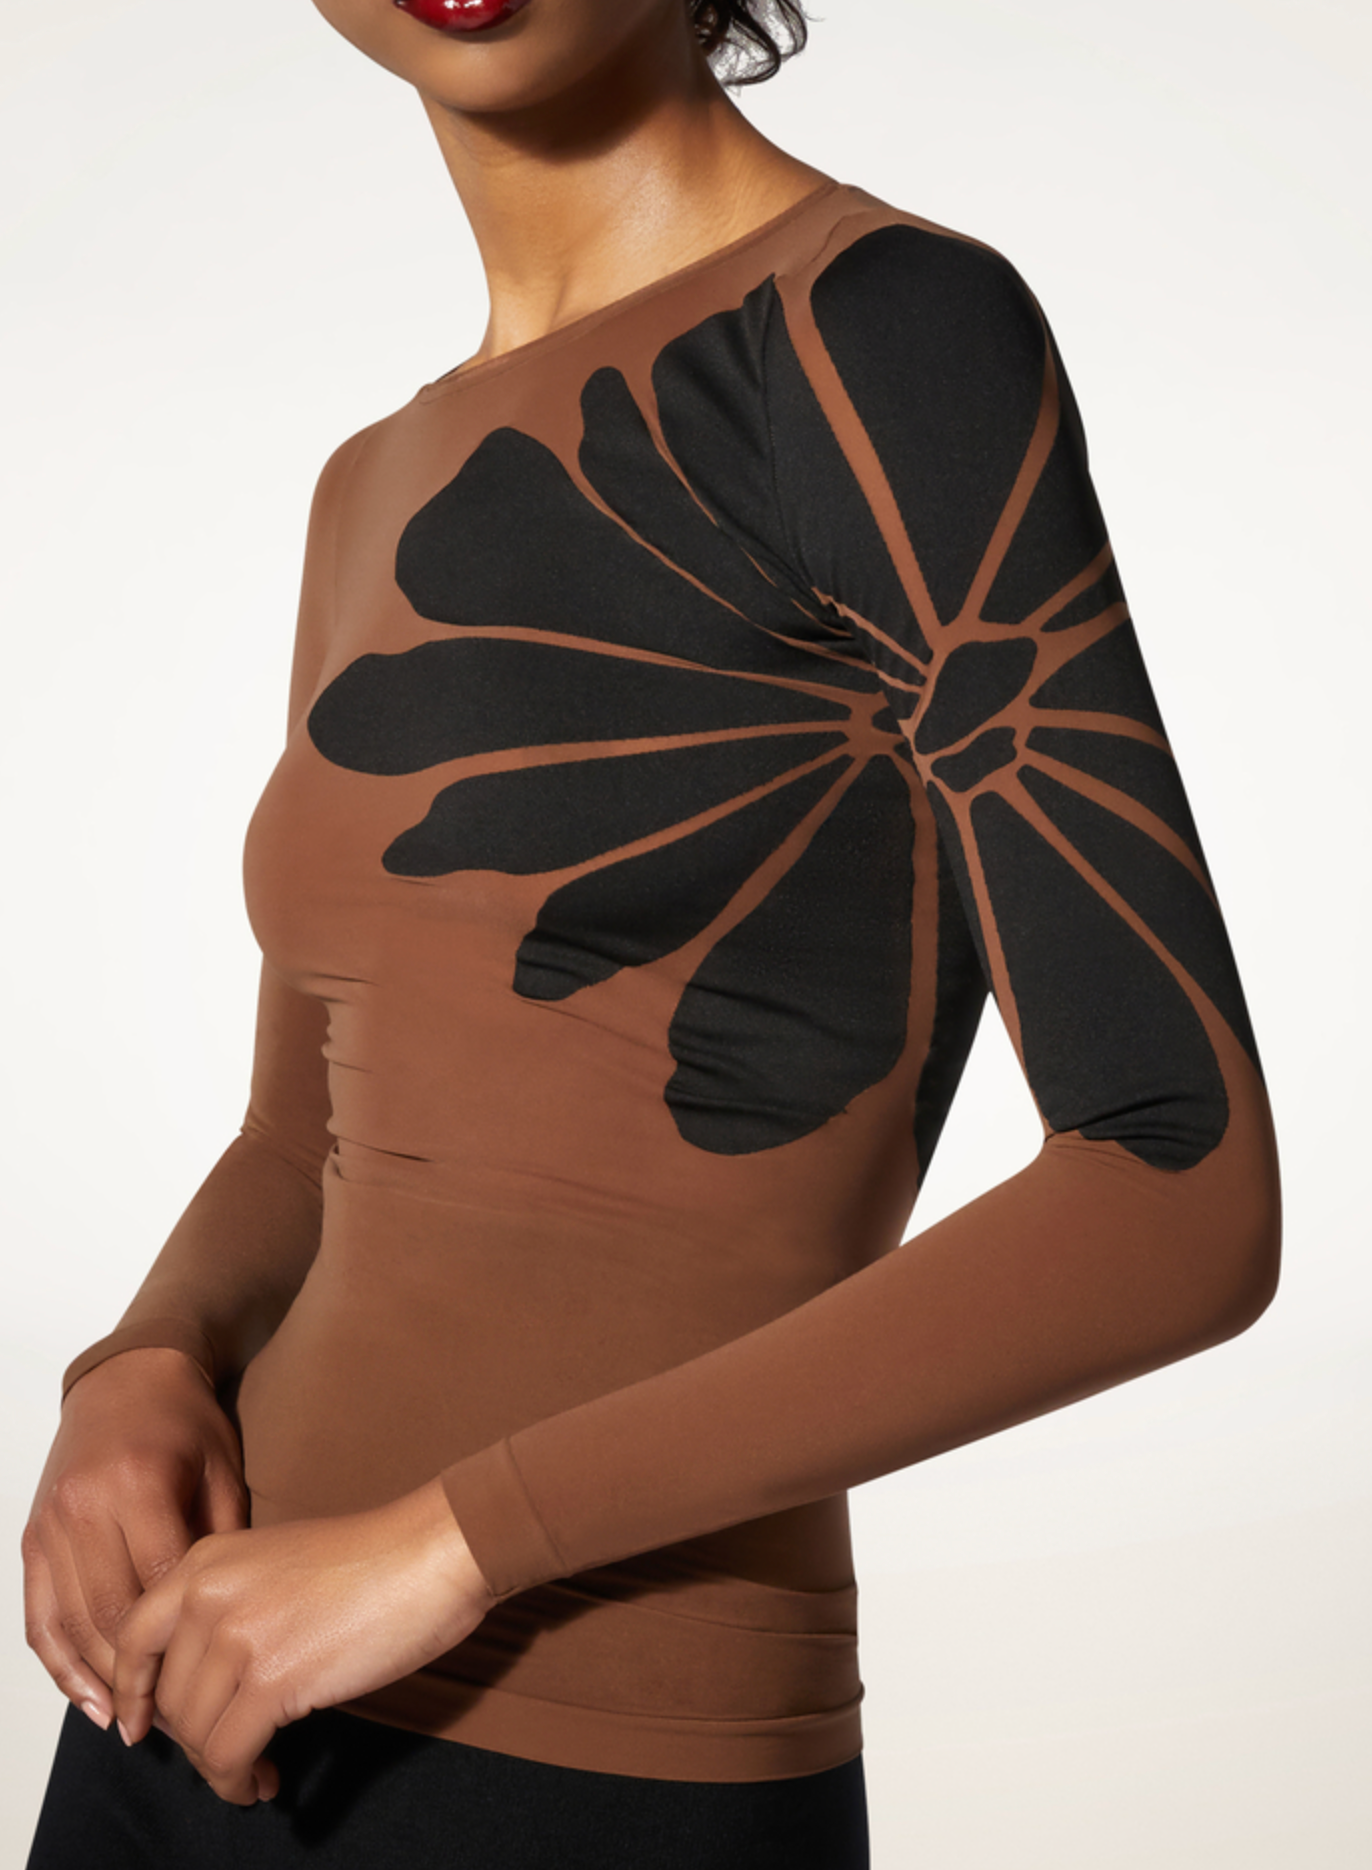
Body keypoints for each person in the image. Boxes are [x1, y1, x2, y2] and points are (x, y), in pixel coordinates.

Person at [21, 1, 1282, 1864]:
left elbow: (1177, 1186)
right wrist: (140, 1359)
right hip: (182, 1696)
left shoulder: (875, 333)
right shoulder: (373, 477)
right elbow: (306, 1134)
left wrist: (445, 1549)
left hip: (608, 1773)